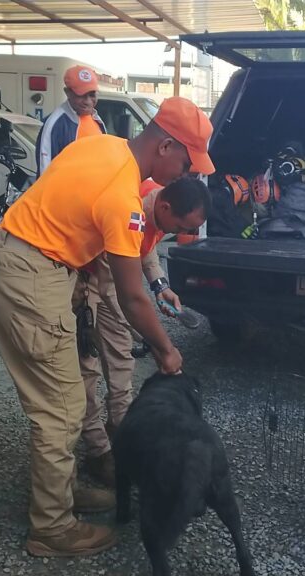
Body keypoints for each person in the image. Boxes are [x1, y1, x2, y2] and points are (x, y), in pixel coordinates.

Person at [0, 96, 214, 557]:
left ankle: (61, 492)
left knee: (62, 397)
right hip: (31, 275)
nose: (186, 175)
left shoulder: (99, 145)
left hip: (17, 260)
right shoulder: (124, 197)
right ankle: (52, 528)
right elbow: (131, 297)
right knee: (62, 409)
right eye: (186, 164)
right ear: (166, 146)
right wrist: (166, 351)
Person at [75, 176, 210, 487]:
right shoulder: (129, 209)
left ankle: (122, 432)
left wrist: (160, 285)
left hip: (114, 283)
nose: (178, 233)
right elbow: (122, 296)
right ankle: (98, 452)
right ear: (165, 206)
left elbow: (145, 245)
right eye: (180, 226)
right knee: (86, 368)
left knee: (122, 360)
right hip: (87, 280)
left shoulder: (157, 203)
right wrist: (155, 341)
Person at [36, 64, 106, 175]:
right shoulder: (54, 124)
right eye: (81, 95)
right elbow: (44, 171)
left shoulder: (97, 120)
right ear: (67, 92)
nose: (88, 101)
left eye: (92, 95)